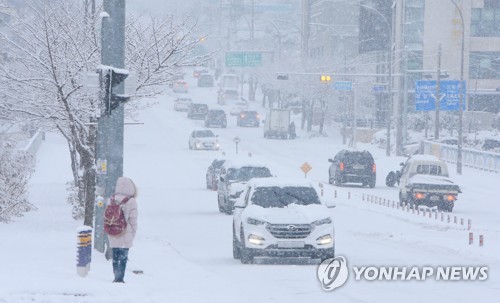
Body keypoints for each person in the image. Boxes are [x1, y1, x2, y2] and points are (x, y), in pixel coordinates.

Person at [108, 176, 138, 283]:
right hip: (126, 232)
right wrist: (133, 232)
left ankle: (116, 277)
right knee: (123, 257)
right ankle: (120, 279)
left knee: (115, 257)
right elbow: (133, 219)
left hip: (113, 232)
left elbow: (107, 217)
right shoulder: (131, 201)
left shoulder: (112, 199)